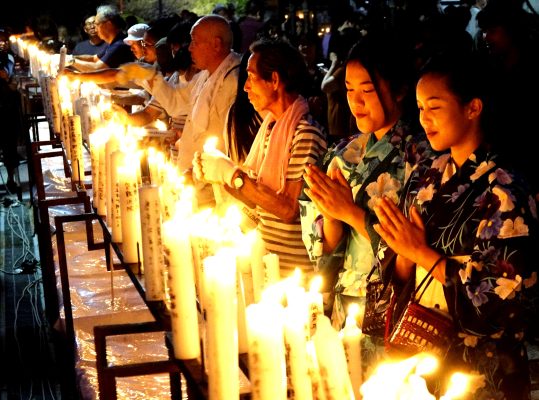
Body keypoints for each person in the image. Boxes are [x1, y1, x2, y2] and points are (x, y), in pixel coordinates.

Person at [373, 52, 539, 400]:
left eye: (434, 107)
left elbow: (501, 299)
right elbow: (399, 263)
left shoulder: (504, 188)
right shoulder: (425, 176)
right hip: (421, 354)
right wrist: (405, 254)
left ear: (472, 108)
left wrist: (420, 252)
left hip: (482, 368)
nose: (424, 119)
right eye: (419, 108)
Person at [301, 30, 432, 329]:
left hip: (389, 307)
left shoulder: (421, 158)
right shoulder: (342, 153)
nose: (355, 101)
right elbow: (322, 249)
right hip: (342, 302)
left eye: (367, 90)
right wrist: (332, 219)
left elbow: (413, 247)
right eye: (349, 89)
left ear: (398, 90)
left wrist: (349, 212)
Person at [193, 39, 327, 277]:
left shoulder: (305, 133)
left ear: (274, 80)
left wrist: (231, 173)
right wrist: (215, 170)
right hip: (267, 263)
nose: (245, 87)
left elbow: (288, 209)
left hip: (295, 274)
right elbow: (256, 199)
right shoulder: (270, 128)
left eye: (252, 77)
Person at [121, 15, 241, 176]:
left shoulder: (233, 80)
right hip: (193, 174)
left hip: (213, 180)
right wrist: (148, 76)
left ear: (216, 44)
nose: (190, 48)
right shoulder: (205, 76)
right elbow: (176, 102)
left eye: (195, 42)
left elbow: (222, 143)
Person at [69, 5, 134, 71]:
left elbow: (96, 68)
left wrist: (69, 61)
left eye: (97, 24)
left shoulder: (119, 44)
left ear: (108, 25)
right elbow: (94, 58)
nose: (95, 29)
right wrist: (69, 57)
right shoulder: (112, 43)